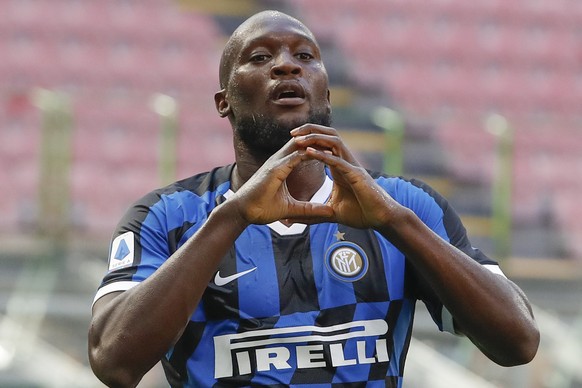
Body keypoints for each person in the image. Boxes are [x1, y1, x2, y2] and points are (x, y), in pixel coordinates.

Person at [88, 10, 539, 388]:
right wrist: (234, 216)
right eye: (261, 57)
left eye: (304, 56)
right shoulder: (168, 216)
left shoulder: (406, 205)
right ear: (223, 101)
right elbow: (114, 361)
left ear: (325, 91)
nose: (287, 66)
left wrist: (397, 224)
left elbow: (517, 343)